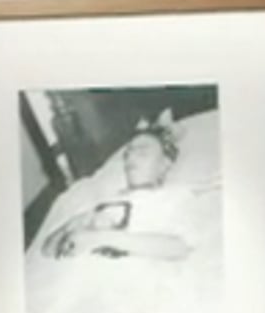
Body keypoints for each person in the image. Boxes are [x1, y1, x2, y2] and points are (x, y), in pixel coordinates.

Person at [38, 111, 199, 262]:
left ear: (165, 163)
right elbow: (47, 251)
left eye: (142, 152)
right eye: (127, 154)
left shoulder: (173, 195)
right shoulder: (103, 201)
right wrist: (72, 224)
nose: (131, 158)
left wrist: (100, 238)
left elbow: (181, 248)